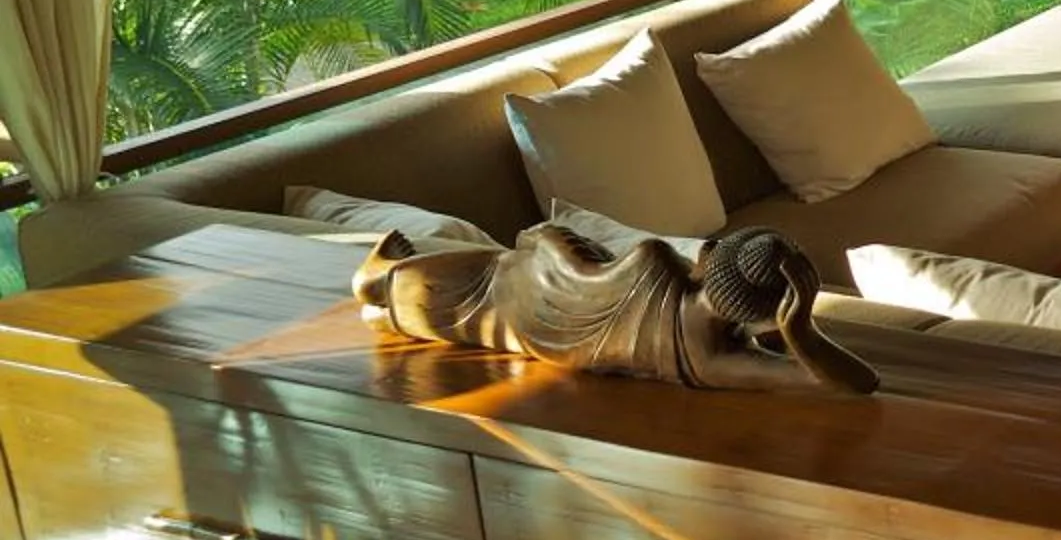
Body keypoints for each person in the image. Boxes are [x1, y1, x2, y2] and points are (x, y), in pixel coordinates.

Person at [353, 223, 878, 395]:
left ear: (706, 258)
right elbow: (853, 383)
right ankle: (377, 289)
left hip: (515, 295)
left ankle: (373, 283)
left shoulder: (666, 276)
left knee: (384, 293)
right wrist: (800, 327)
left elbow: (568, 256)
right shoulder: (714, 358)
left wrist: (547, 241)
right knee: (394, 300)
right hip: (520, 308)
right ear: (759, 313)